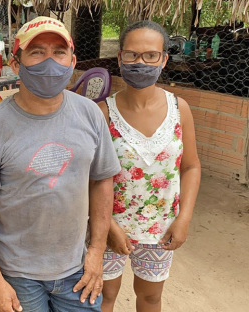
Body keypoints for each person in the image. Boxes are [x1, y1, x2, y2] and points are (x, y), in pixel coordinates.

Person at [0, 16, 121, 312]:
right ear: (15, 64)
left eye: (59, 52)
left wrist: (96, 251)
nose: (50, 62)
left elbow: (102, 180)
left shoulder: (90, 114)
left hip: (77, 268)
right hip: (18, 274)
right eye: (37, 52)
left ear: (72, 62)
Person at [97, 21, 201, 312]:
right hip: (109, 228)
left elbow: (191, 166)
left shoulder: (180, 109)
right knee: (102, 297)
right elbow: (87, 177)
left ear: (164, 59)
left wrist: (183, 219)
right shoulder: (102, 112)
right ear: (119, 58)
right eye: (131, 55)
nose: (140, 62)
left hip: (160, 230)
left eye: (150, 55)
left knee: (151, 298)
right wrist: (105, 225)